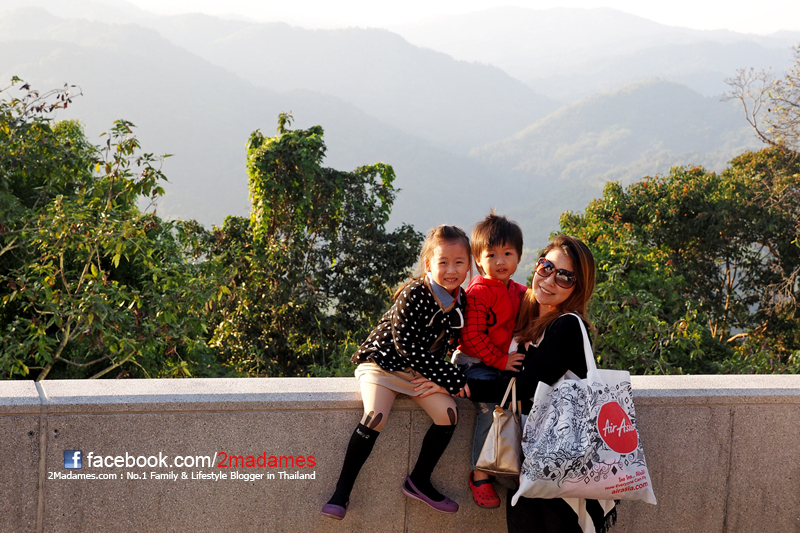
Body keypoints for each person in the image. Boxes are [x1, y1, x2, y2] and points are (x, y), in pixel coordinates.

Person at [466, 235, 617, 533]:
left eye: (565, 277)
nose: (549, 280)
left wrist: (461, 385)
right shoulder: (526, 321)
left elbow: (523, 388)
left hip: (563, 463)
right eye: (546, 267)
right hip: (531, 459)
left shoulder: (567, 326)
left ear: (578, 287)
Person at [321, 225, 473, 520]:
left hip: (418, 370)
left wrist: (440, 379)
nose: (451, 270)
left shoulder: (460, 300)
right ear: (428, 264)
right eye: (443, 262)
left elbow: (451, 344)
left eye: (459, 262)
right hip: (382, 363)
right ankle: (340, 493)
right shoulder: (414, 293)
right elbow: (405, 345)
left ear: (469, 265)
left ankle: (419, 481)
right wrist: (451, 377)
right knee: (375, 416)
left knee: (449, 414)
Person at [451, 212, 527, 508]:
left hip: (499, 362)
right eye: (491, 255)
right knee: (490, 408)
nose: (500, 261)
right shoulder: (479, 291)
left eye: (507, 253)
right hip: (472, 363)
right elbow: (471, 336)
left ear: (518, 256)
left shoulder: (520, 292)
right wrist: (500, 361)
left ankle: (510, 466)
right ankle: (480, 473)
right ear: (478, 261)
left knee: (521, 403)